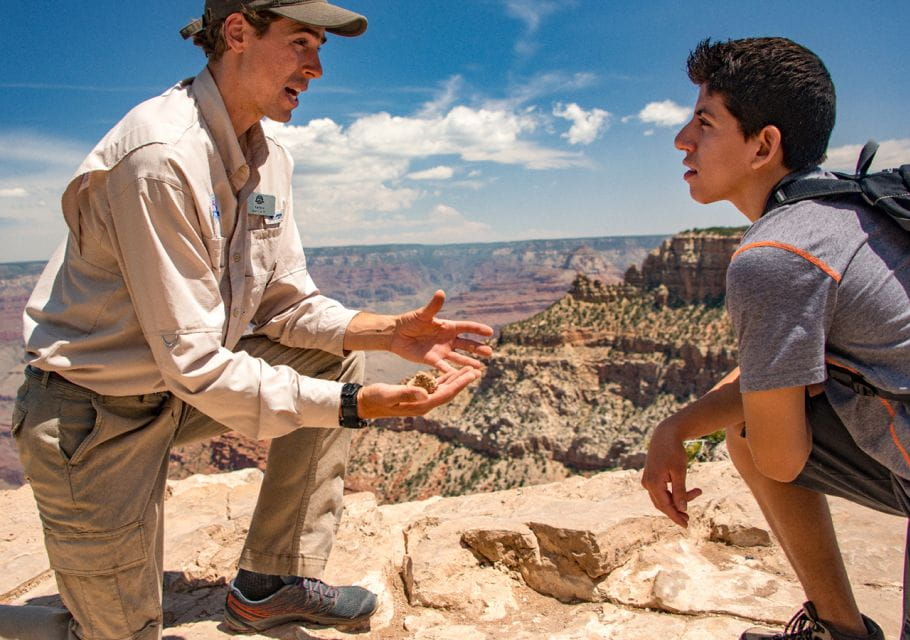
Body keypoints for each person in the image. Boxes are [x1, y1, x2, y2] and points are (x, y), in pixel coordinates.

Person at [1, 1, 494, 638]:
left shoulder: (269, 160)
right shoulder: (161, 157)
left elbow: (284, 305)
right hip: (94, 415)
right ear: (237, 32)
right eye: (300, 43)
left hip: (176, 394)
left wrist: (386, 333)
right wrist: (355, 405)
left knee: (335, 356)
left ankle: (272, 584)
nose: (316, 68)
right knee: (119, 634)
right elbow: (197, 362)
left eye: (320, 49)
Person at [641, 37, 909, 640]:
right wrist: (675, 426)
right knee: (747, 419)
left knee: (755, 430)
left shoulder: (774, 256)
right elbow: (764, 390)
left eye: (704, 123)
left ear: (763, 145)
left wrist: (783, 396)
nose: (682, 139)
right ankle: (839, 629)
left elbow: (780, 456)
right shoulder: (848, 205)